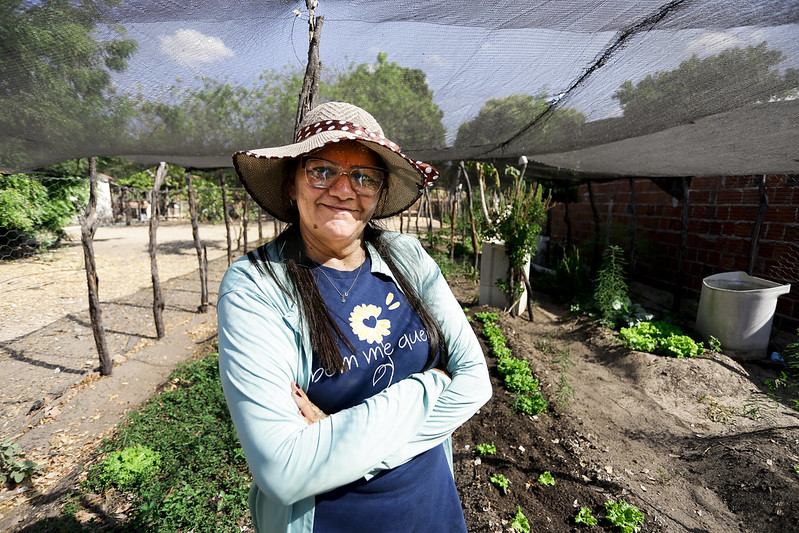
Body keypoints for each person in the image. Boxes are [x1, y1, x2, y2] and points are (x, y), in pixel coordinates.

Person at [218, 101, 492, 533]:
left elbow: (475, 382)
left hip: (434, 510)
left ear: (379, 192)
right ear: (292, 183)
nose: (344, 190)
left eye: (364, 177)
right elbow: (284, 469)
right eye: (322, 170)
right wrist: (434, 383)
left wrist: (337, 435)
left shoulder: (405, 257)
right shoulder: (257, 287)